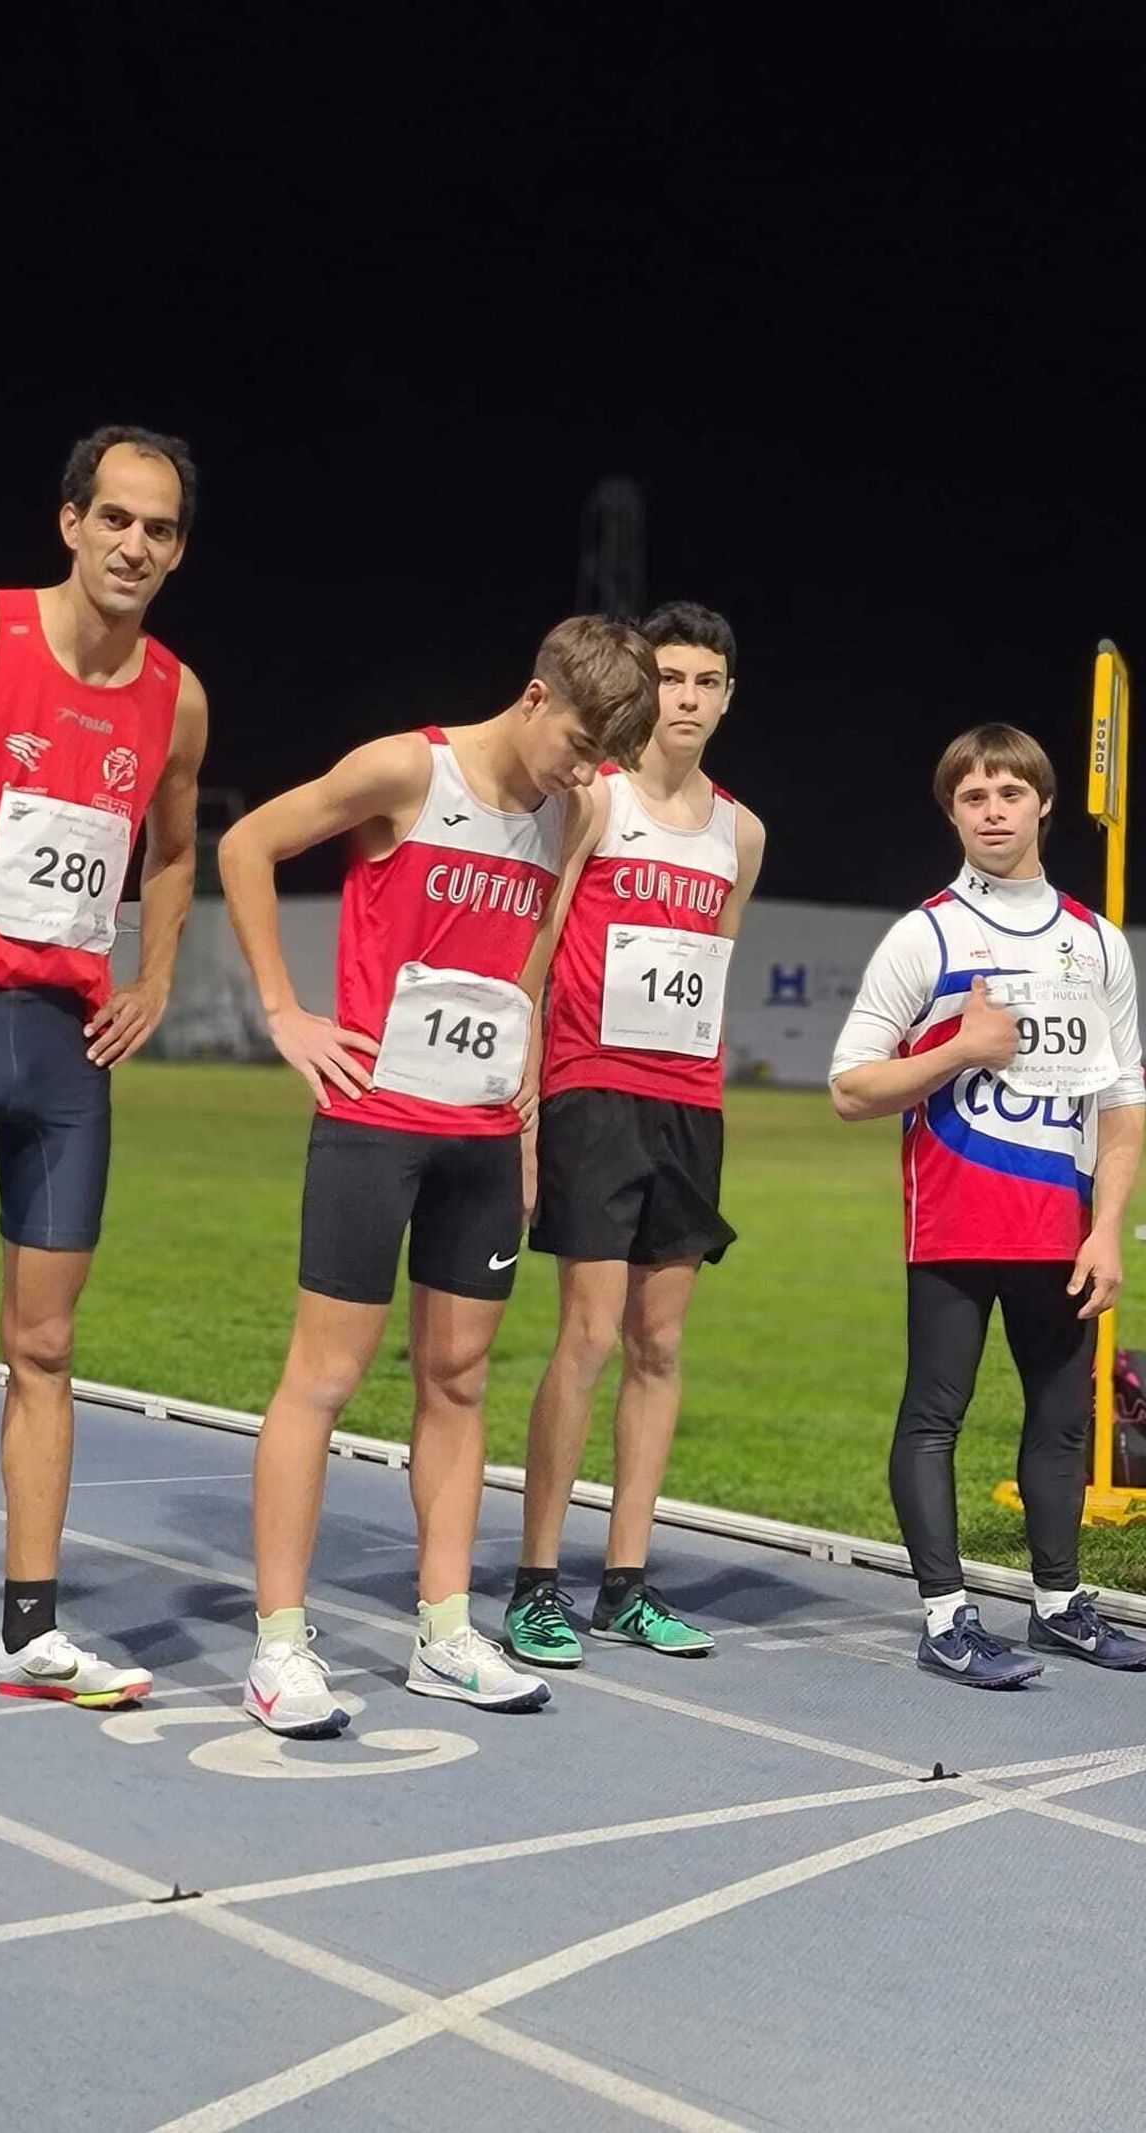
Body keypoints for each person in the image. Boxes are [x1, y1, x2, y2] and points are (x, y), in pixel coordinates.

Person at [217, 618, 656, 1735]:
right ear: (533, 696)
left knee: (458, 1379)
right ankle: (278, 1647)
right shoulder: (404, 769)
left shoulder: (573, 810)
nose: (585, 771)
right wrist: (283, 1012)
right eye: (579, 743)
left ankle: (446, 1633)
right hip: (374, 1122)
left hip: (477, 1138)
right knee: (324, 1377)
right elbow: (246, 848)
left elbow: (535, 950)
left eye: (604, 758)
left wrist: (520, 1102)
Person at [0, 426, 208, 1709]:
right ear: (69, 523)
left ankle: (31, 1631)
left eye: (158, 530)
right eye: (115, 519)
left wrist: (155, 975)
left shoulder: (177, 696)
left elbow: (172, 851)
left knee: (43, 1344)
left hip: (64, 1053)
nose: (134, 546)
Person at [828, 723, 1146, 1688]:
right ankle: (944, 1615)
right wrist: (959, 1052)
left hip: (1062, 1227)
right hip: (957, 1220)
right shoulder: (924, 934)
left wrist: (1107, 1227)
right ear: (952, 812)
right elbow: (850, 1086)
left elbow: (1123, 1099)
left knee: (1059, 1424)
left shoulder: (1097, 942)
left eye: (1010, 794)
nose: (993, 812)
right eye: (973, 797)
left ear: (1044, 803)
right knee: (936, 1415)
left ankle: (1058, 1606)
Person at [504, 602, 765, 1667]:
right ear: (641, 688)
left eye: (707, 680)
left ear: (728, 695)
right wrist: (523, 1106)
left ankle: (626, 1579)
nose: (687, 698)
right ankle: (534, 1582)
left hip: (687, 1108)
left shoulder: (740, 833)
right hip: (590, 1091)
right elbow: (538, 946)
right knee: (590, 1336)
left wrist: (710, 1102)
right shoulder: (596, 803)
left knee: (660, 1344)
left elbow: (716, 974)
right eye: (670, 678)